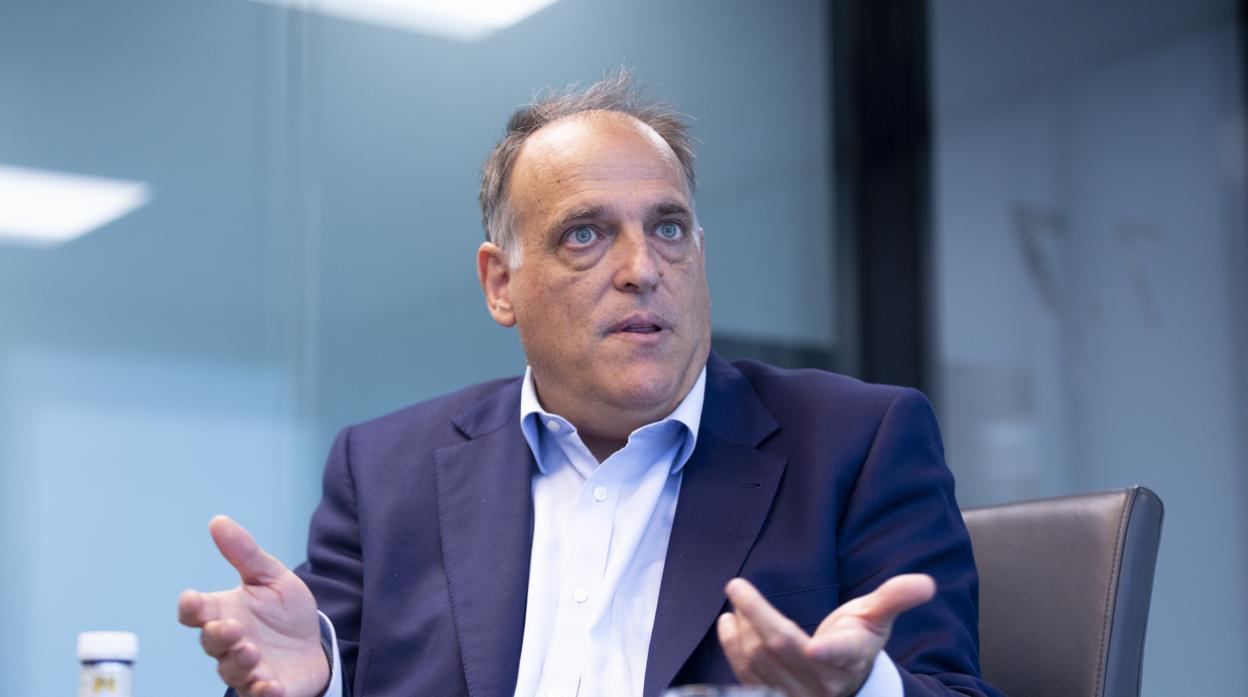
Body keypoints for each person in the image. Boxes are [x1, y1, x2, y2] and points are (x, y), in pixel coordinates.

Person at [178, 71, 1002, 697]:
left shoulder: (858, 442)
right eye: (585, 235)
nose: (642, 268)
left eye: (668, 227)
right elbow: (318, 662)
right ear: (501, 283)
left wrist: (861, 690)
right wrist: (317, 683)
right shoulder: (384, 470)